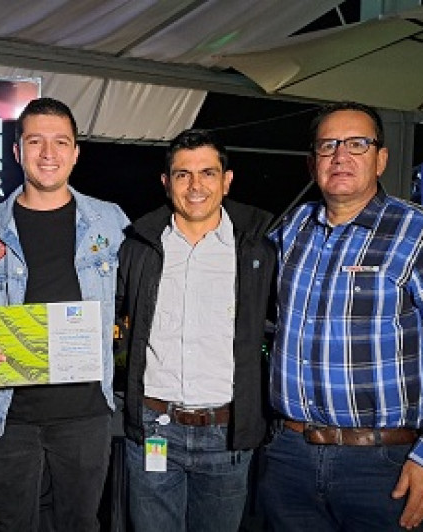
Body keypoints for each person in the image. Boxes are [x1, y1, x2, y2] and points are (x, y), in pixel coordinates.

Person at [265, 101, 423, 531]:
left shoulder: (420, 232)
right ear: (312, 163)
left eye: (357, 144)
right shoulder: (292, 229)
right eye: (327, 145)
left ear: (381, 158)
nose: (340, 156)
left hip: (380, 464)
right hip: (290, 455)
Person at [0, 97, 129, 531]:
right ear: (17, 152)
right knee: (13, 525)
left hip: (86, 414)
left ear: (75, 152)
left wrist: (119, 328)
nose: (48, 154)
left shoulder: (111, 222)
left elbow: (134, 300)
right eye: (36, 141)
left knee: (80, 524)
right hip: (8, 414)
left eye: (60, 142)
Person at [116, 129, 276, 532]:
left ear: (227, 180)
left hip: (227, 433)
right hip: (154, 428)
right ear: (167, 182)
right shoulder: (138, 245)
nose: (196, 186)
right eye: (183, 174)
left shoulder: (259, 247)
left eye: (207, 172)